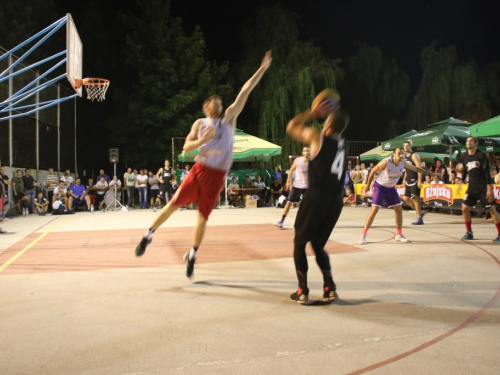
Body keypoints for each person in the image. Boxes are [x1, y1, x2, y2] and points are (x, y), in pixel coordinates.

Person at [135, 50, 272, 278]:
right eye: (215, 101)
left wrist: (262, 69)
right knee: (173, 204)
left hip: (216, 176)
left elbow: (245, 90)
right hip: (199, 171)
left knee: (202, 217)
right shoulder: (200, 123)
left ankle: (192, 255)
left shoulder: (228, 118)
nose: (220, 102)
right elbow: (186, 148)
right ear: (207, 107)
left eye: (221, 101)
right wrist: (202, 140)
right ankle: (147, 235)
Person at [285, 95, 349, 304]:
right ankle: (330, 287)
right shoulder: (343, 144)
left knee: (299, 242)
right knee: (318, 244)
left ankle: (302, 290)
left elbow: (292, 126)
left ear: (328, 124)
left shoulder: (317, 137)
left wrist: (312, 112)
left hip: (318, 196)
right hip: (336, 201)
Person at [359, 147, 436, 245]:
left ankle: (399, 234)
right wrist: (367, 185)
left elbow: (416, 168)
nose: (400, 156)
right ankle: (363, 235)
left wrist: (429, 173)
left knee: (399, 209)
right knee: (374, 210)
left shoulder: (402, 163)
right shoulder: (386, 162)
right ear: (394, 154)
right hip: (380, 187)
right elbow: (373, 171)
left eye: (402, 154)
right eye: (399, 154)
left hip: (391, 188)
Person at [460, 136, 500, 241]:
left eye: (471, 141)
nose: (468, 142)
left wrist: (489, 189)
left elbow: (487, 173)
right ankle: (469, 233)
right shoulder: (464, 157)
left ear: (476, 143)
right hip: (472, 188)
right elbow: (465, 170)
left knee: (492, 210)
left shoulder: (481, 155)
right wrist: (461, 180)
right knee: (464, 209)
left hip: (483, 187)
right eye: (467, 141)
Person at [277, 147, 309, 229]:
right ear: (302, 152)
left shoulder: (312, 162)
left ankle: (303, 222)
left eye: (308, 151)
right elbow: (291, 170)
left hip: (307, 186)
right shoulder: (298, 160)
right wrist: (288, 181)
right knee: (289, 202)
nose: (306, 152)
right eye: (305, 151)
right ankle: (281, 220)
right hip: (297, 185)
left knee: (307, 205)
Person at [401, 141, 426, 225]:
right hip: (408, 180)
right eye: (404, 146)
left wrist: (419, 180)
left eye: (407, 145)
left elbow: (419, 168)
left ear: (410, 146)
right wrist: (404, 179)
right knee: (405, 198)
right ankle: (418, 212)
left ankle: (419, 218)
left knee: (415, 198)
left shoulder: (414, 155)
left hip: (414, 180)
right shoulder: (404, 156)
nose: (406, 147)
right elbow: (407, 170)